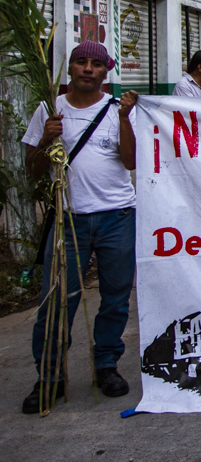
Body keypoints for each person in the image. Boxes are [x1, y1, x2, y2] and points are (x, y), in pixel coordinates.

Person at [21, 41, 138, 413]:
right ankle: (50, 376)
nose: (88, 69)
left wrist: (124, 119)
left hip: (117, 217)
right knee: (56, 299)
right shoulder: (49, 109)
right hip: (67, 219)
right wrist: (46, 139)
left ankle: (106, 365)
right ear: (70, 68)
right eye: (81, 62)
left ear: (106, 72)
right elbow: (33, 169)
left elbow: (131, 161)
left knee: (116, 297)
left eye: (96, 64)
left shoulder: (118, 110)